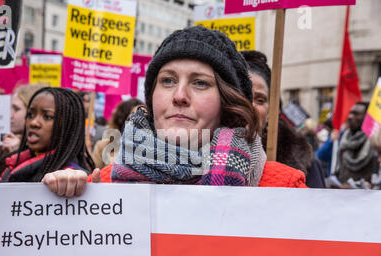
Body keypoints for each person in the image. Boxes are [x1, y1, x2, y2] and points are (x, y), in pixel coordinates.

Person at [42, 26, 307, 197]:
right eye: (167, 80)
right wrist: (69, 199)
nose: (179, 96)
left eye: (200, 83)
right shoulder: (105, 184)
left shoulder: (283, 189)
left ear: (228, 103)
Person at [242, 50, 326, 188]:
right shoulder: (200, 156)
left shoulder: (303, 163)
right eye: (243, 96)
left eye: (260, 99)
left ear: (271, 112)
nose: (250, 106)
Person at [91, 98, 144, 169]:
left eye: (144, 116)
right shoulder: (102, 146)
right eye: (134, 116)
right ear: (122, 120)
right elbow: (93, 176)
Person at [335, 102, 378, 186]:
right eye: (350, 113)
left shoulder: (376, 143)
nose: (350, 117)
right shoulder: (344, 139)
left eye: (356, 114)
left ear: (367, 118)